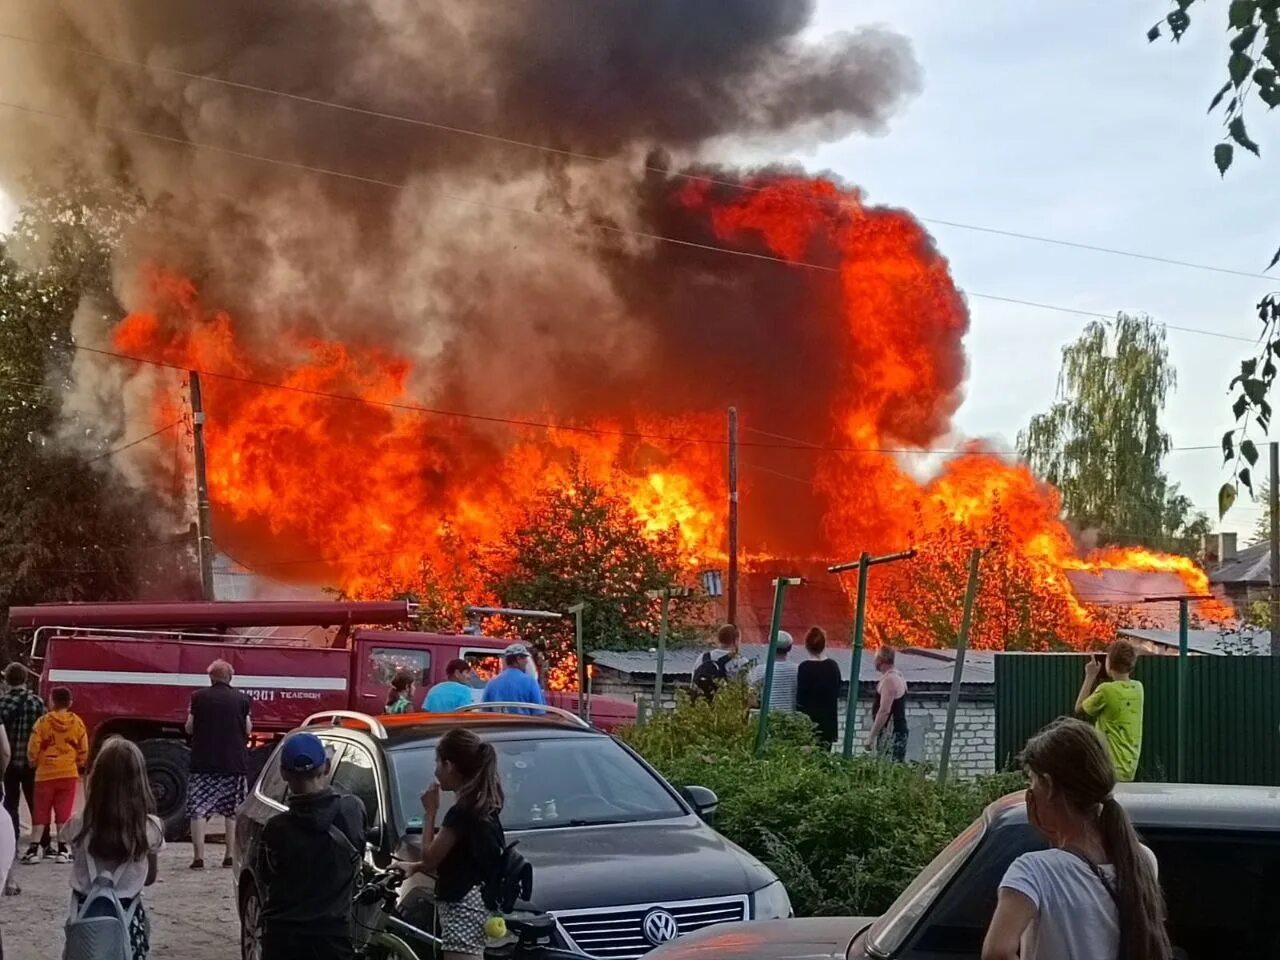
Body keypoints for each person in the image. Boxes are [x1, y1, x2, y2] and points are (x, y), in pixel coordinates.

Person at [982, 717, 1170, 960]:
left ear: (1048, 785)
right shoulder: (1142, 858)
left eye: (1032, 781)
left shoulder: (1033, 870)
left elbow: (997, 952)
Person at [256, 732, 366, 960]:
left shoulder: (276, 829)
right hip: (332, 939)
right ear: (326, 767)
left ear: (284, 773)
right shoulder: (352, 810)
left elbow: (266, 877)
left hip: (282, 940)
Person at [406, 728, 505, 960]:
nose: (435, 771)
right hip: (479, 902)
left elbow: (431, 859)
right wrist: (414, 866)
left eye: (438, 763)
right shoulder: (484, 805)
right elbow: (460, 856)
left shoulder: (462, 812)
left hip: (463, 906)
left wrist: (430, 812)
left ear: (449, 765)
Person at [63, 737, 164, 960]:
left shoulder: (79, 824)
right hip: (127, 918)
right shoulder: (150, 828)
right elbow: (149, 878)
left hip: (85, 915)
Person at [185, 659, 252, 870]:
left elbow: (189, 727)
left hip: (203, 762)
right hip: (233, 763)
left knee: (198, 810)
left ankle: (198, 858)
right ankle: (229, 856)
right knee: (232, 811)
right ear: (230, 677)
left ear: (211, 677)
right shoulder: (242, 699)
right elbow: (248, 729)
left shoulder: (198, 697)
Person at [23, 685, 87, 864]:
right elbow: (83, 748)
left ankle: (34, 849)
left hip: (45, 773)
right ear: (70, 702)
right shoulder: (77, 722)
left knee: (41, 810)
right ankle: (63, 849)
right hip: (68, 772)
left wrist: (33, 761)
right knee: (63, 811)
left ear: (51, 701)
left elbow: (33, 746)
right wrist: (79, 763)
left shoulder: (43, 722)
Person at [0, 663, 44, 891]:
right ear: (26, 679)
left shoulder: (3, 703)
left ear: (7, 680)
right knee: (35, 803)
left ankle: (12, 841)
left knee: (11, 805)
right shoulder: (37, 702)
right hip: (31, 762)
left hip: (9, 764)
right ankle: (40, 842)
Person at [1075, 640, 1144, 783]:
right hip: (1129, 767)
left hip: (1106, 767)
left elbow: (1079, 708)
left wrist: (1090, 676)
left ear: (1109, 663)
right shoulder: (1138, 688)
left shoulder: (1106, 690)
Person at [795, 627, 841, 747]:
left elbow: (800, 699)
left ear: (807, 645)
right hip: (828, 725)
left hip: (808, 726)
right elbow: (837, 692)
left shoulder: (804, 668)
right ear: (824, 645)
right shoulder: (833, 666)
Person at [866, 646, 908, 761]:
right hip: (895, 733)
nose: (873, 661)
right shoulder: (899, 676)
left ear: (881, 660)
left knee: (886, 770)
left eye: (875, 657)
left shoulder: (890, 680)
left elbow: (884, 711)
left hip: (891, 734)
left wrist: (871, 736)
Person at [481, 644, 545, 715]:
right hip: (523, 725)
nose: (526, 661)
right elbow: (539, 712)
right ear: (518, 659)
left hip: (497, 725)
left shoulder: (492, 683)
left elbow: (484, 711)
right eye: (525, 658)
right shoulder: (530, 682)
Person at [691, 624, 747, 699]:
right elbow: (747, 689)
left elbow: (693, 684)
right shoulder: (740, 661)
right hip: (728, 706)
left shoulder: (702, 658)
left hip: (702, 705)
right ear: (736, 640)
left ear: (719, 639)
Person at [748, 631, 798, 713]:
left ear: (770, 646)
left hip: (768, 719)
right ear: (789, 648)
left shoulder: (759, 670)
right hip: (791, 719)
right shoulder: (797, 670)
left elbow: (752, 700)